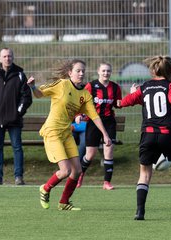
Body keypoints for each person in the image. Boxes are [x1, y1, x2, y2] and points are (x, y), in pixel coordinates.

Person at [117, 55, 171, 220]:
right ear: (169, 71)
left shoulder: (145, 87)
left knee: (144, 173)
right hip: (168, 134)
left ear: (153, 70)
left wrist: (134, 93)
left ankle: (140, 211)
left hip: (147, 134)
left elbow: (123, 103)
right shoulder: (170, 86)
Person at [27, 59, 112, 211]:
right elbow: (39, 94)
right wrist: (33, 87)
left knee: (77, 170)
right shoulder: (61, 84)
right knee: (65, 171)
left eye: (83, 71)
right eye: (78, 71)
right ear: (69, 73)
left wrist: (105, 135)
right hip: (53, 132)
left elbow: (94, 116)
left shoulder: (85, 94)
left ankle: (64, 202)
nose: (81, 74)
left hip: (66, 133)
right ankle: (45, 189)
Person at [0, 48, 32, 185]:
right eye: (4, 56)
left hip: (14, 120)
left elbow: (26, 97)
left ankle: (18, 177)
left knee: (17, 147)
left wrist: (18, 112)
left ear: (13, 58)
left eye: (9, 56)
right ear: (0, 58)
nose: (7, 58)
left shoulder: (20, 75)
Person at [77, 62, 122, 190]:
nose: (106, 73)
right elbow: (82, 102)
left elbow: (118, 104)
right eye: (103, 71)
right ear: (98, 71)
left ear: (111, 72)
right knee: (90, 154)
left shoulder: (115, 87)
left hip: (109, 122)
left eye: (108, 71)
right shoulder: (91, 86)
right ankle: (80, 175)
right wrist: (80, 114)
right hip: (94, 122)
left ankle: (106, 182)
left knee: (109, 150)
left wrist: (122, 102)